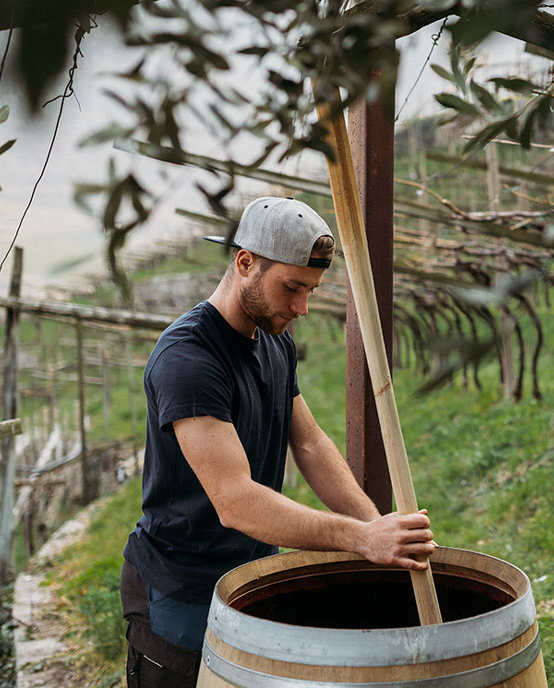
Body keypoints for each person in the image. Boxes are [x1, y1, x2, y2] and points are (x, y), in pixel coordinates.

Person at [119, 196, 435, 688]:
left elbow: (308, 442)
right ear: (245, 263)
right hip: (182, 589)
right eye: (291, 287)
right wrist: (359, 540)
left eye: (310, 290)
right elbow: (236, 502)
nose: (302, 307)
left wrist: (377, 529)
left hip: (253, 574)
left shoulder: (274, 339)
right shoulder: (190, 360)